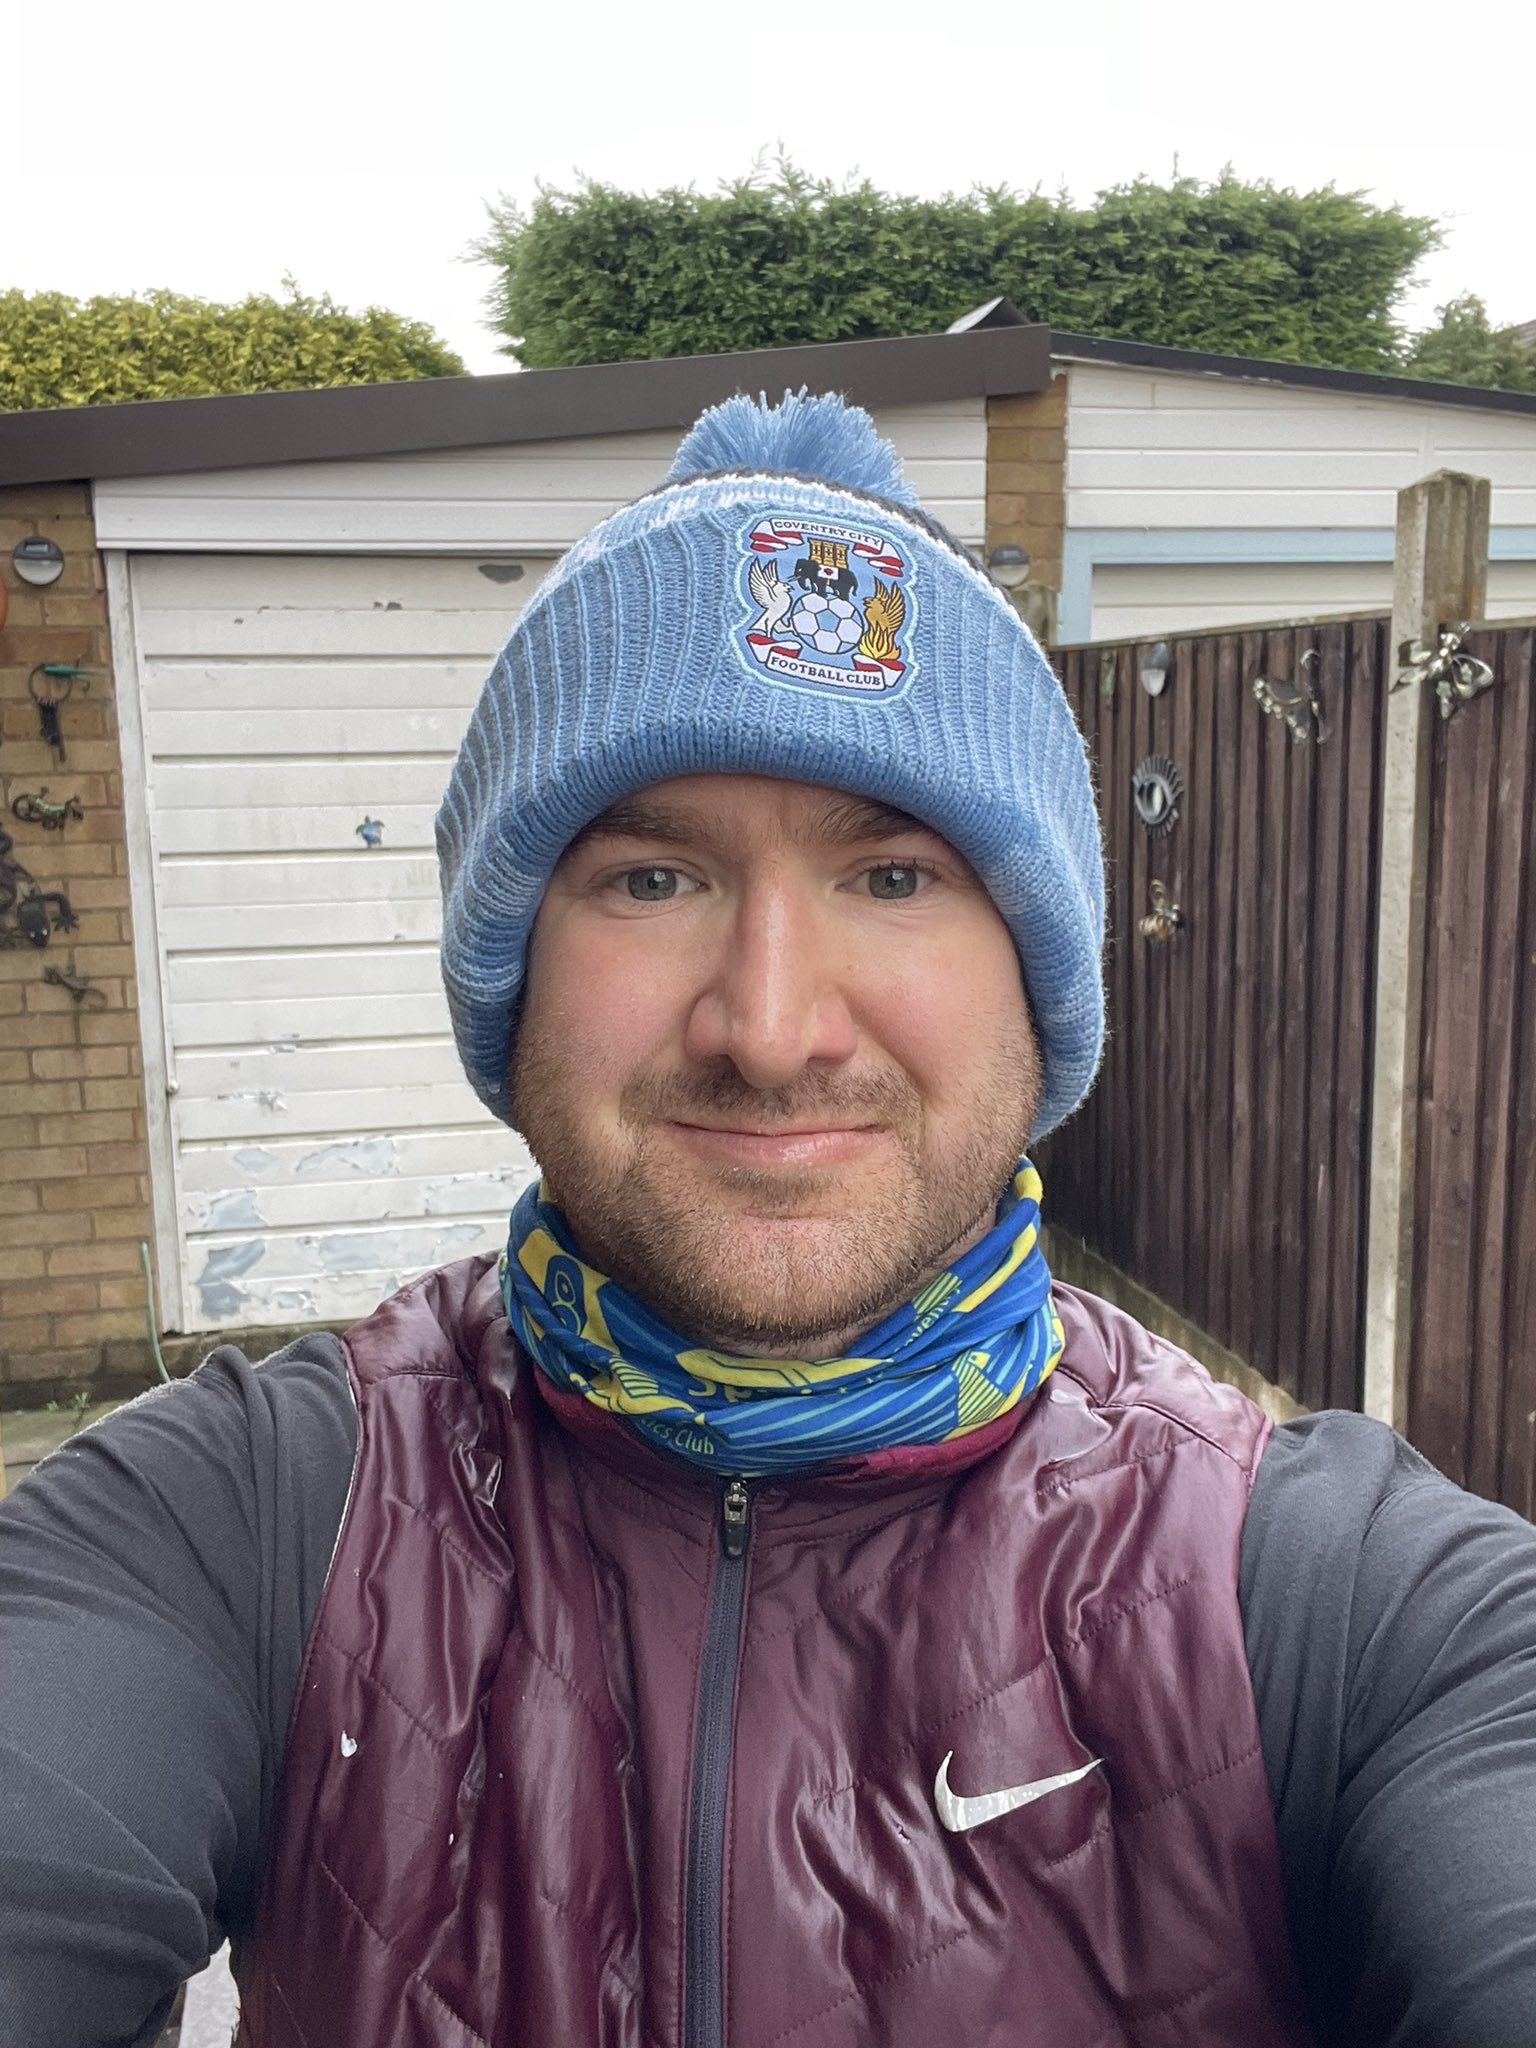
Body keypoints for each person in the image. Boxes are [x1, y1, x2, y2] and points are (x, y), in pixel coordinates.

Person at [2, 393, 1535, 2048]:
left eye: (894, 877)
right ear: (513, 982)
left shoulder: (1333, 1604)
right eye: (652, 879)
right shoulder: (235, 1527)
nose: (773, 1027)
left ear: (1038, 986)